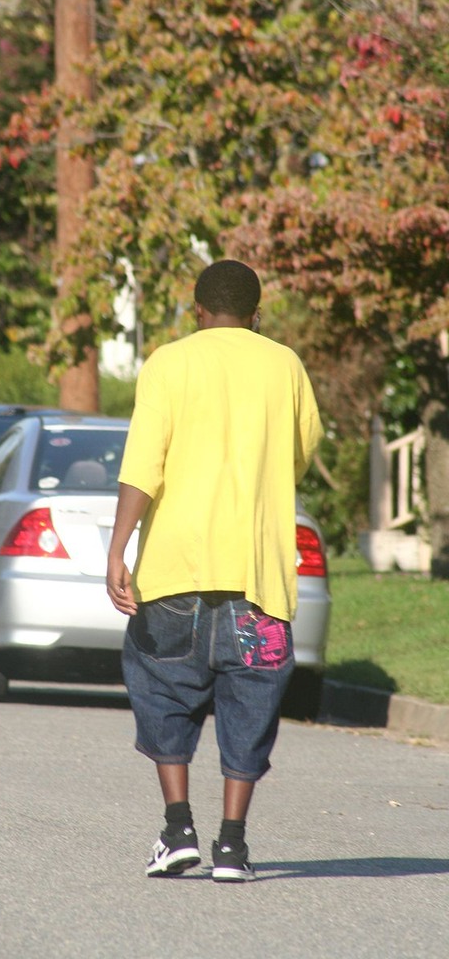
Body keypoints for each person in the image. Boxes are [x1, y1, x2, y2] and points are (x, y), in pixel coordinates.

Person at [106, 259, 323, 883]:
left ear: (197, 311)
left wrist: (118, 549)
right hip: (258, 579)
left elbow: (143, 465)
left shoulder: (169, 363)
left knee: (162, 692)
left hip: (174, 572)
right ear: (256, 315)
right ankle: (232, 844)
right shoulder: (284, 365)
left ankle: (178, 832)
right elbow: (301, 451)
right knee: (251, 703)